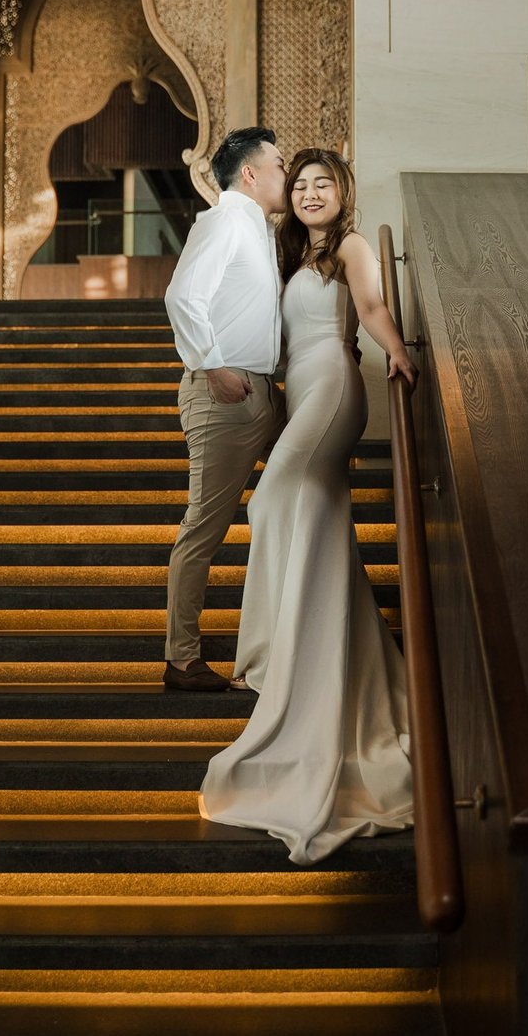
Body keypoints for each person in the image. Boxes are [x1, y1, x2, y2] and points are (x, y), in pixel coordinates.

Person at [199, 147, 418, 862]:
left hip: (331, 381)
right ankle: (316, 656)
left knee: (270, 505)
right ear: (288, 197)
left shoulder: (352, 246)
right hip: (299, 386)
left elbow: (375, 305)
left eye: (324, 184)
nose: (312, 193)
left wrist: (398, 350)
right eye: (301, 185)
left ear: (342, 190)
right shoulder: (285, 252)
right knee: (315, 522)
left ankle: (280, 654)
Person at [162, 127, 288, 692]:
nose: (286, 175)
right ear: (251, 173)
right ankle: (181, 659)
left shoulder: (257, 228)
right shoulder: (224, 219)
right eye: (280, 165)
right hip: (224, 394)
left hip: (262, 392)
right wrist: (213, 366)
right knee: (203, 530)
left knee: (299, 505)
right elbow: (181, 296)